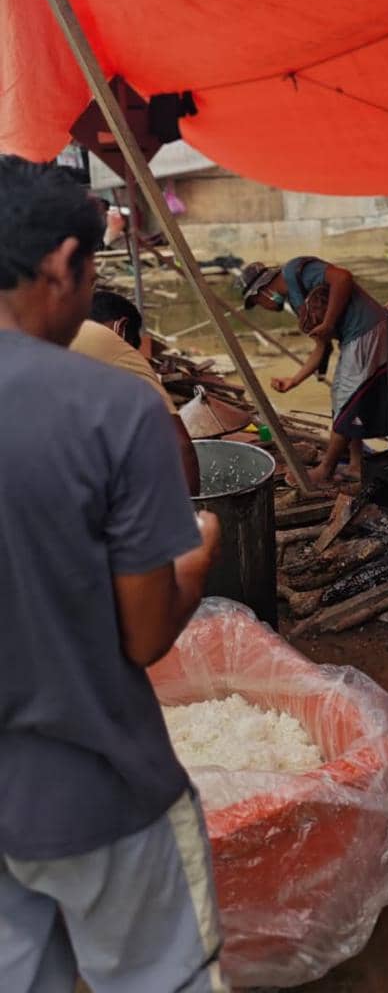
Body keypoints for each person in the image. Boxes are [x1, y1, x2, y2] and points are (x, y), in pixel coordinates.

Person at [0, 157, 228, 993]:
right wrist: (197, 561)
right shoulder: (112, 407)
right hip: (97, 792)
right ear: (63, 263)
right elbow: (144, 635)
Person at [238, 257, 388, 485]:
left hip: (366, 331)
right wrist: (294, 381)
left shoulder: (295, 271)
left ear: (263, 291)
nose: (263, 307)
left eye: (258, 302)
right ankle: (356, 465)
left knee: (347, 401)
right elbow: (322, 346)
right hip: (352, 339)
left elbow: (343, 278)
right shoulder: (298, 302)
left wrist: (328, 322)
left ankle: (325, 470)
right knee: (342, 399)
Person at [71, 289, 200, 495]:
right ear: (121, 328)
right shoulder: (110, 343)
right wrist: (191, 518)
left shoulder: (52, 331)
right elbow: (180, 447)